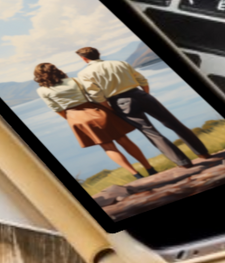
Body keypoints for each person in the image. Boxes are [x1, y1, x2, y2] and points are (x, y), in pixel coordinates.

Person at [72, 45, 209, 170]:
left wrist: (110, 108)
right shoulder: (120, 63)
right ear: (98, 54)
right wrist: (144, 95)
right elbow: (142, 80)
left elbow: (97, 95)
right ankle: (203, 153)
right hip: (140, 94)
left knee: (151, 132)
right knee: (173, 123)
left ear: (84, 59)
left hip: (120, 102)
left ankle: (184, 163)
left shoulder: (84, 74)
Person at [33, 62, 156, 179]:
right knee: (124, 140)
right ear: (56, 70)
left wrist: (70, 118)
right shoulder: (74, 80)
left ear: (39, 76)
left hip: (76, 118)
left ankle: (136, 175)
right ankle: (150, 169)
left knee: (108, 147)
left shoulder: (42, 91)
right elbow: (93, 94)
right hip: (96, 111)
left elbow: (57, 108)